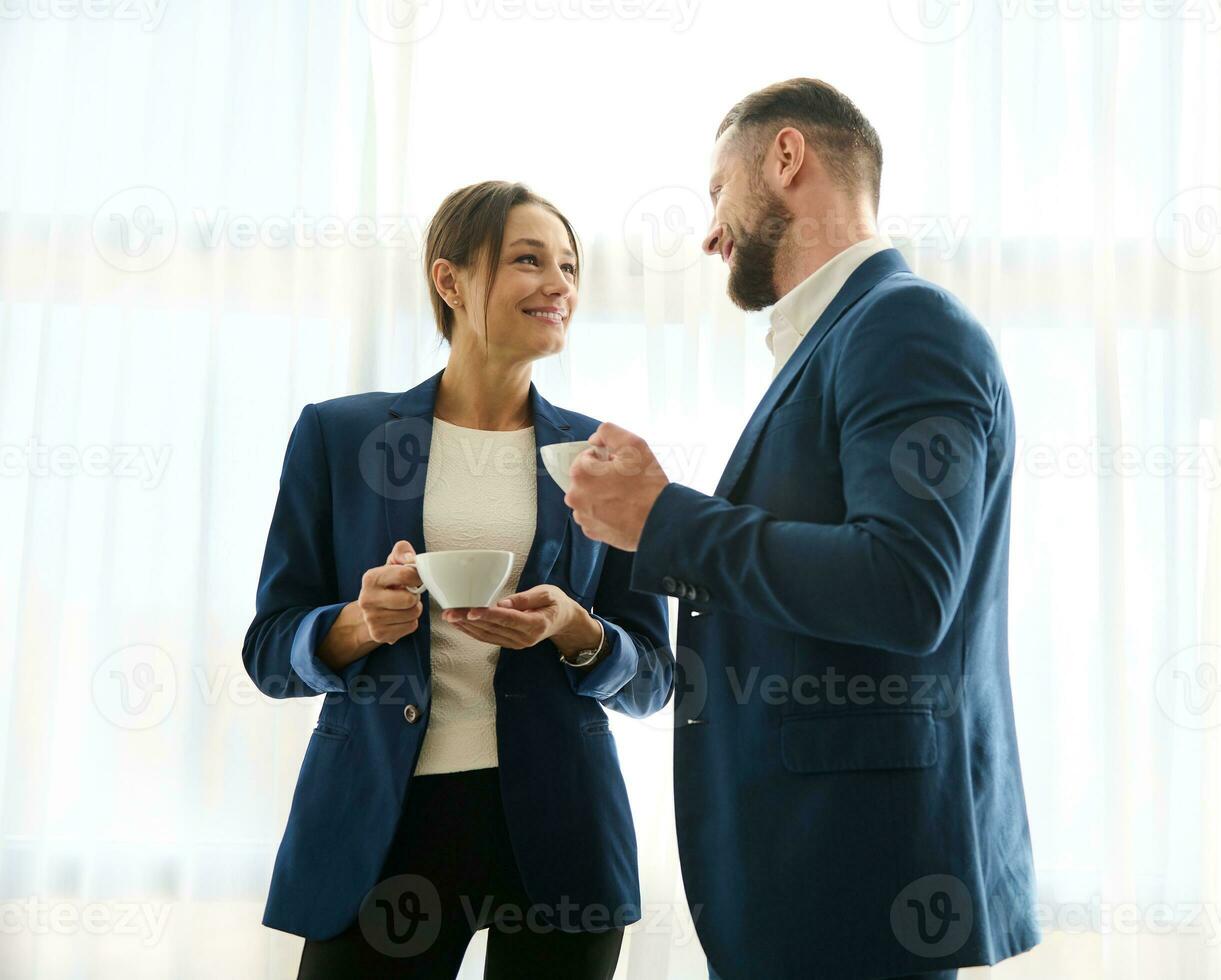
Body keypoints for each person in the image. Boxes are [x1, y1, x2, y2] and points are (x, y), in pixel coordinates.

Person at [566, 78, 1041, 979]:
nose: (710, 231)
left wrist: (662, 518)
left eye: (716, 191)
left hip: (859, 884)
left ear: (785, 158)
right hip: (821, 878)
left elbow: (904, 588)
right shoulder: (854, 335)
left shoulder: (903, 327)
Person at [242, 180, 673, 979]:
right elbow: (269, 650)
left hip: (558, 828)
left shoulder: (602, 459)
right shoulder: (341, 436)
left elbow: (651, 676)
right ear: (450, 281)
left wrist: (577, 632)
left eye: (569, 267)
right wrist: (358, 623)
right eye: (527, 260)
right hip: (384, 824)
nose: (559, 286)